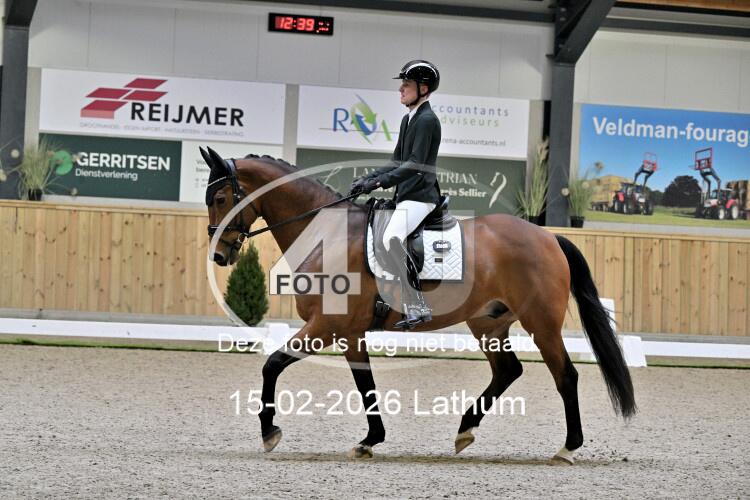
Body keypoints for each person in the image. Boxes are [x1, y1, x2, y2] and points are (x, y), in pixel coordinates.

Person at [348, 60, 442, 329]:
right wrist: (369, 179)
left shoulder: (427, 120)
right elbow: (396, 160)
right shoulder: (408, 119)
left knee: (391, 237)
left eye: (406, 85)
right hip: (406, 197)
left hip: (421, 198)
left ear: (423, 89)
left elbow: (414, 164)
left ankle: (415, 303)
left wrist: (380, 183)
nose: (400, 89)